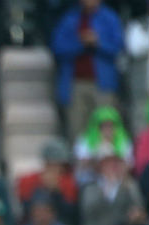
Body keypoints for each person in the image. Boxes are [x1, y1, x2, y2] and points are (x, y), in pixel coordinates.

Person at [51, 0, 124, 141]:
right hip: (75, 84)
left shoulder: (109, 18)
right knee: (77, 131)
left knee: (106, 132)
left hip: (103, 84)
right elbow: (57, 48)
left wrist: (98, 42)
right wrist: (80, 43)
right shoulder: (69, 19)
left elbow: (118, 48)